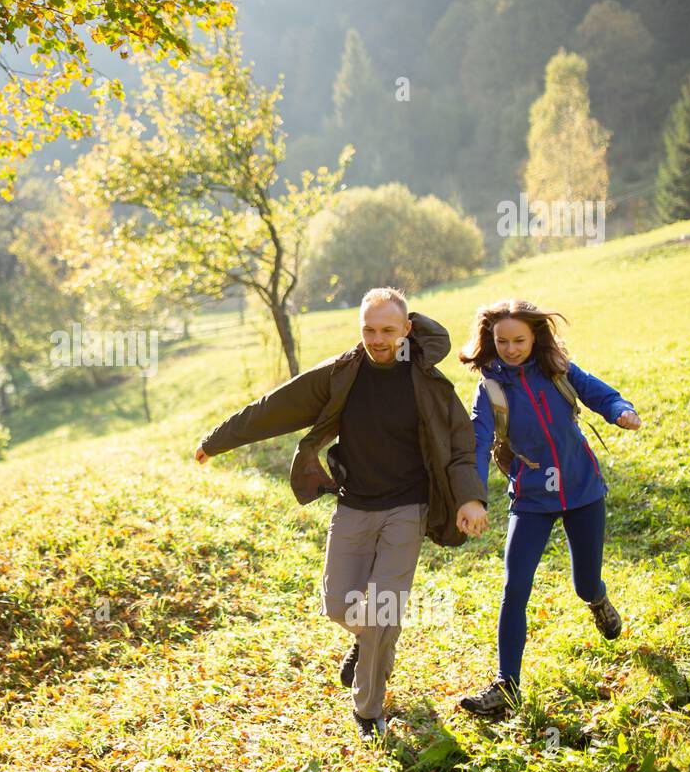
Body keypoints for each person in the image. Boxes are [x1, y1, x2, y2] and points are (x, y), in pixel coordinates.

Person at [195, 287, 487, 742]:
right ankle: (371, 642)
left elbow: (461, 447)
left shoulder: (428, 383)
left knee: (382, 609)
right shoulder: (343, 373)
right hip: (354, 504)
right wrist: (217, 440)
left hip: (407, 509)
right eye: (368, 329)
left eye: (387, 330)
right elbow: (277, 406)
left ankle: (369, 711)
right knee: (339, 606)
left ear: (406, 329)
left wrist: (471, 498)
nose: (377, 338)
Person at [456, 300, 641, 718]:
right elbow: (479, 442)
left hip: (582, 489)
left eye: (519, 340)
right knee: (514, 586)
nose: (510, 348)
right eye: (501, 341)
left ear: (535, 336)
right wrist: (473, 496)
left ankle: (598, 602)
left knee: (585, 583)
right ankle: (507, 684)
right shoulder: (491, 389)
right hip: (532, 498)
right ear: (491, 340)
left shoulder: (558, 370)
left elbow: (597, 392)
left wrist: (620, 411)